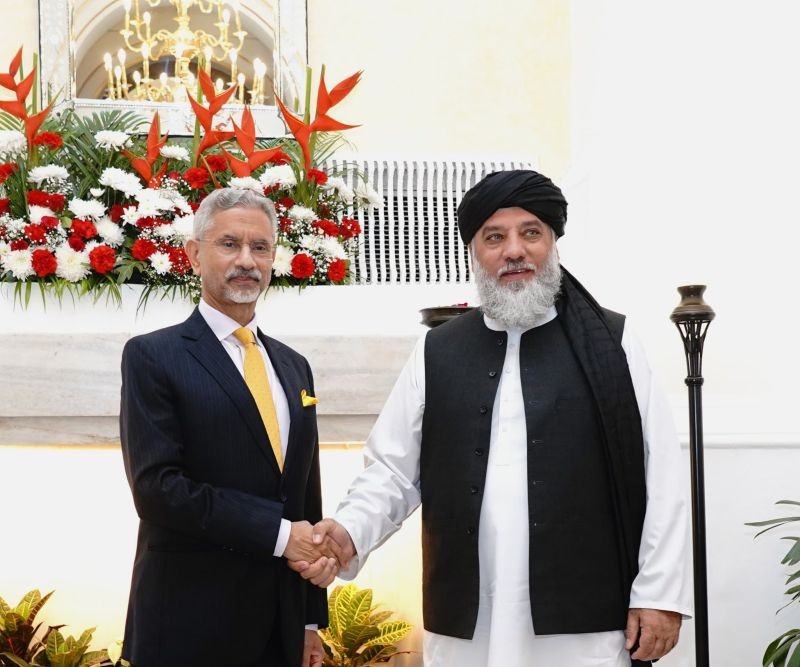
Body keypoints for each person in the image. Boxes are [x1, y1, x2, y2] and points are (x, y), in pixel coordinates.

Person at [290, 170, 692, 667]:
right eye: (494, 237)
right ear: (474, 251)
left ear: (553, 242)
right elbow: (393, 471)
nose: (514, 251)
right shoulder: (437, 351)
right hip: (468, 623)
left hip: (583, 622)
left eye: (530, 233)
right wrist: (349, 531)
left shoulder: (613, 342)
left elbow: (660, 471)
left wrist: (659, 593)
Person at [119, 188, 340, 667]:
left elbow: (305, 495)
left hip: (280, 628)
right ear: (194, 254)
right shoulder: (153, 355)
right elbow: (157, 488)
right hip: (188, 626)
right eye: (229, 244)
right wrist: (280, 535)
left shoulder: (294, 366)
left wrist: (308, 622)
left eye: (260, 247)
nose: (246, 260)